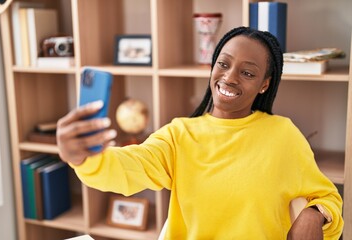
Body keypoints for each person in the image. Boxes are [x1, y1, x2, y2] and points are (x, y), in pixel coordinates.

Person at [56, 26, 343, 239]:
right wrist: (83, 157)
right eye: (223, 63)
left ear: (264, 84)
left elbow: (327, 197)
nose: (229, 77)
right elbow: (127, 168)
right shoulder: (180, 134)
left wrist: (314, 215)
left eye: (248, 72)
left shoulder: (283, 135)